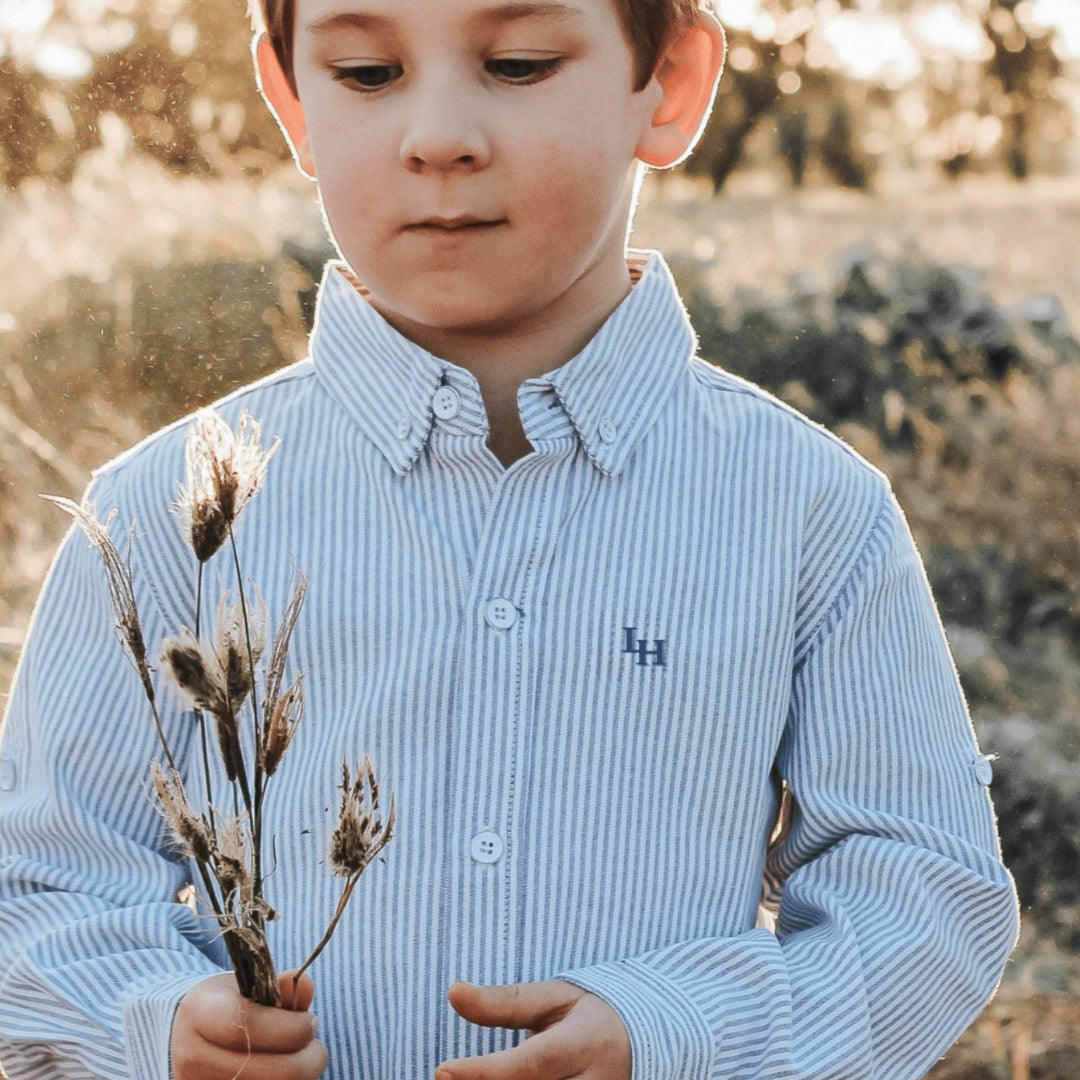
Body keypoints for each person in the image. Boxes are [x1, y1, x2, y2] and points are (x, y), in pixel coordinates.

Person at [0, 0, 1019, 1077]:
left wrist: (680, 1033)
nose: (438, 137)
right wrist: (153, 1021)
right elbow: (39, 888)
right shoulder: (161, 515)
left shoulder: (809, 511)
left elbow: (927, 896)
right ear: (290, 102)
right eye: (367, 72)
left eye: (520, 63)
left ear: (669, 85)